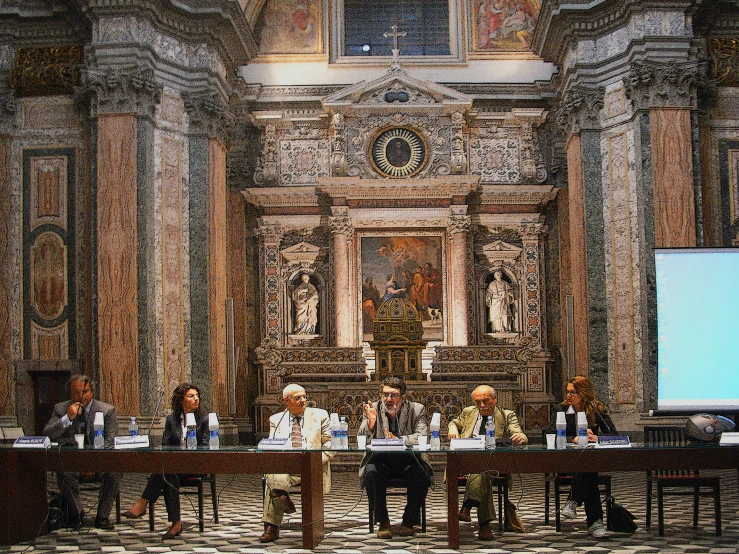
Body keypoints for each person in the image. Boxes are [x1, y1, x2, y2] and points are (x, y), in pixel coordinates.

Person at [122, 383, 209, 540]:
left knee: (166, 470)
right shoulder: (172, 420)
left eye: (197, 396)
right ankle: (176, 524)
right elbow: (165, 444)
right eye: (191, 396)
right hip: (174, 466)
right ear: (181, 400)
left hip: (195, 465)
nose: (196, 399)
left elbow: (205, 445)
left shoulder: (204, 419)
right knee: (169, 474)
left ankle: (143, 503)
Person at [447, 385, 528, 540]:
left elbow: (518, 432)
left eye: (486, 401)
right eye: (478, 402)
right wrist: (453, 429)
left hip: (495, 461)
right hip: (467, 460)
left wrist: (520, 438)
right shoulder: (468, 412)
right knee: (481, 471)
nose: (482, 405)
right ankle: (483, 525)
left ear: (494, 399)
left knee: (482, 470)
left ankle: (468, 506)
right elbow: (454, 422)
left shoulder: (506, 415)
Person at [43, 374, 121, 530]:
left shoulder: (107, 411)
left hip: (99, 461)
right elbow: (48, 433)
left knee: (114, 472)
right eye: (76, 392)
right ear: (70, 394)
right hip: (73, 462)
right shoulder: (61, 409)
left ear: (92, 392)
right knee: (64, 472)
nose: (81, 396)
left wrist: (93, 463)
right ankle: (76, 514)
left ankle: (103, 516)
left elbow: (109, 442)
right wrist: (68, 418)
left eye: (85, 392)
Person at [359, 377, 433, 539]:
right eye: (385, 395)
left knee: (422, 474)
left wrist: (399, 440)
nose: (389, 399)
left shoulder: (416, 409)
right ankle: (383, 521)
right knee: (371, 474)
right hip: (381, 459)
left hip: (409, 459)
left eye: (394, 395)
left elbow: (421, 436)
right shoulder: (374, 408)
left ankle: (408, 520)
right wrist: (371, 423)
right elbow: (362, 440)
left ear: (403, 397)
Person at [260, 384, 334, 543]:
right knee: (272, 473)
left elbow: (329, 445)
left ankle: (273, 523)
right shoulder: (276, 419)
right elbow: (273, 446)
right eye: (297, 398)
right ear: (286, 400)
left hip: (312, 465)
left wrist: (313, 461)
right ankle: (281, 499)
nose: (302, 400)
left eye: (304, 397)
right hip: (286, 466)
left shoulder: (320, 415)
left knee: (272, 484)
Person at [545, 376, 617, 538]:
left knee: (587, 467)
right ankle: (595, 522)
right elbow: (549, 434)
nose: (569, 396)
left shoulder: (596, 408)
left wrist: (597, 439)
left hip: (588, 459)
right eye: (568, 392)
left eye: (574, 393)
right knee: (588, 471)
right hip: (565, 460)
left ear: (584, 394)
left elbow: (614, 435)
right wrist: (572, 439)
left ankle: (573, 501)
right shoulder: (561, 410)